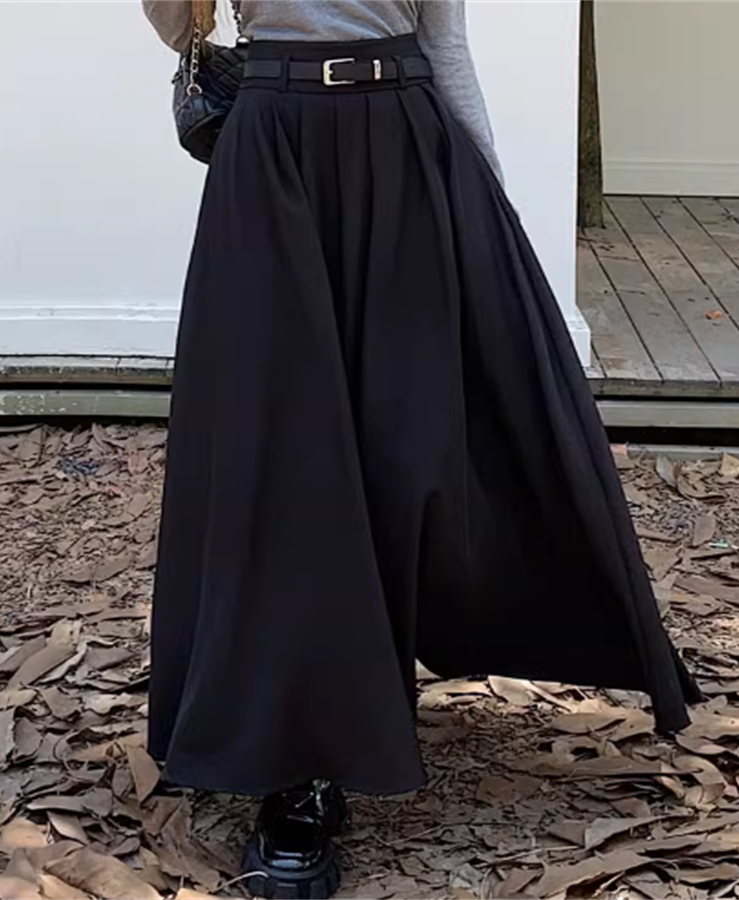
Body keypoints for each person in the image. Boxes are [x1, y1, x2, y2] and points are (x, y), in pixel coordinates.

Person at [142, 2, 700, 899]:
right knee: (288, 462)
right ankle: (300, 767)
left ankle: (390, 668)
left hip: (405, 149)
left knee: (411, 443)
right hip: (273, 154)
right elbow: (179, 25)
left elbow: (446, 44)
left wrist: (488, 205)